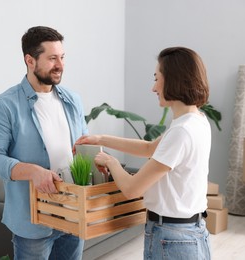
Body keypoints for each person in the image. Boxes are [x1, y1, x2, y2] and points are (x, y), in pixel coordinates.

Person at [74, 47, 212, 260]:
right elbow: (149, 148)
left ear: (173, 80)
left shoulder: (181, 131)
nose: (153, 87)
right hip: (191, 232)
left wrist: (110, 161)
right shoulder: (196, 120)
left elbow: (131, 189)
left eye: (157, 78)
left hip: (173, 238)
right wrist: (100, 139)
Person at [0, 26, 87, 260]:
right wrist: (32, 172)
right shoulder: (4, 106)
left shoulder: (73, 100)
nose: (60, 65)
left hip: (72, 214)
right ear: (30, 60)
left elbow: (82, 147)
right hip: (33, 222)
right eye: (52, 58)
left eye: (62, 57)